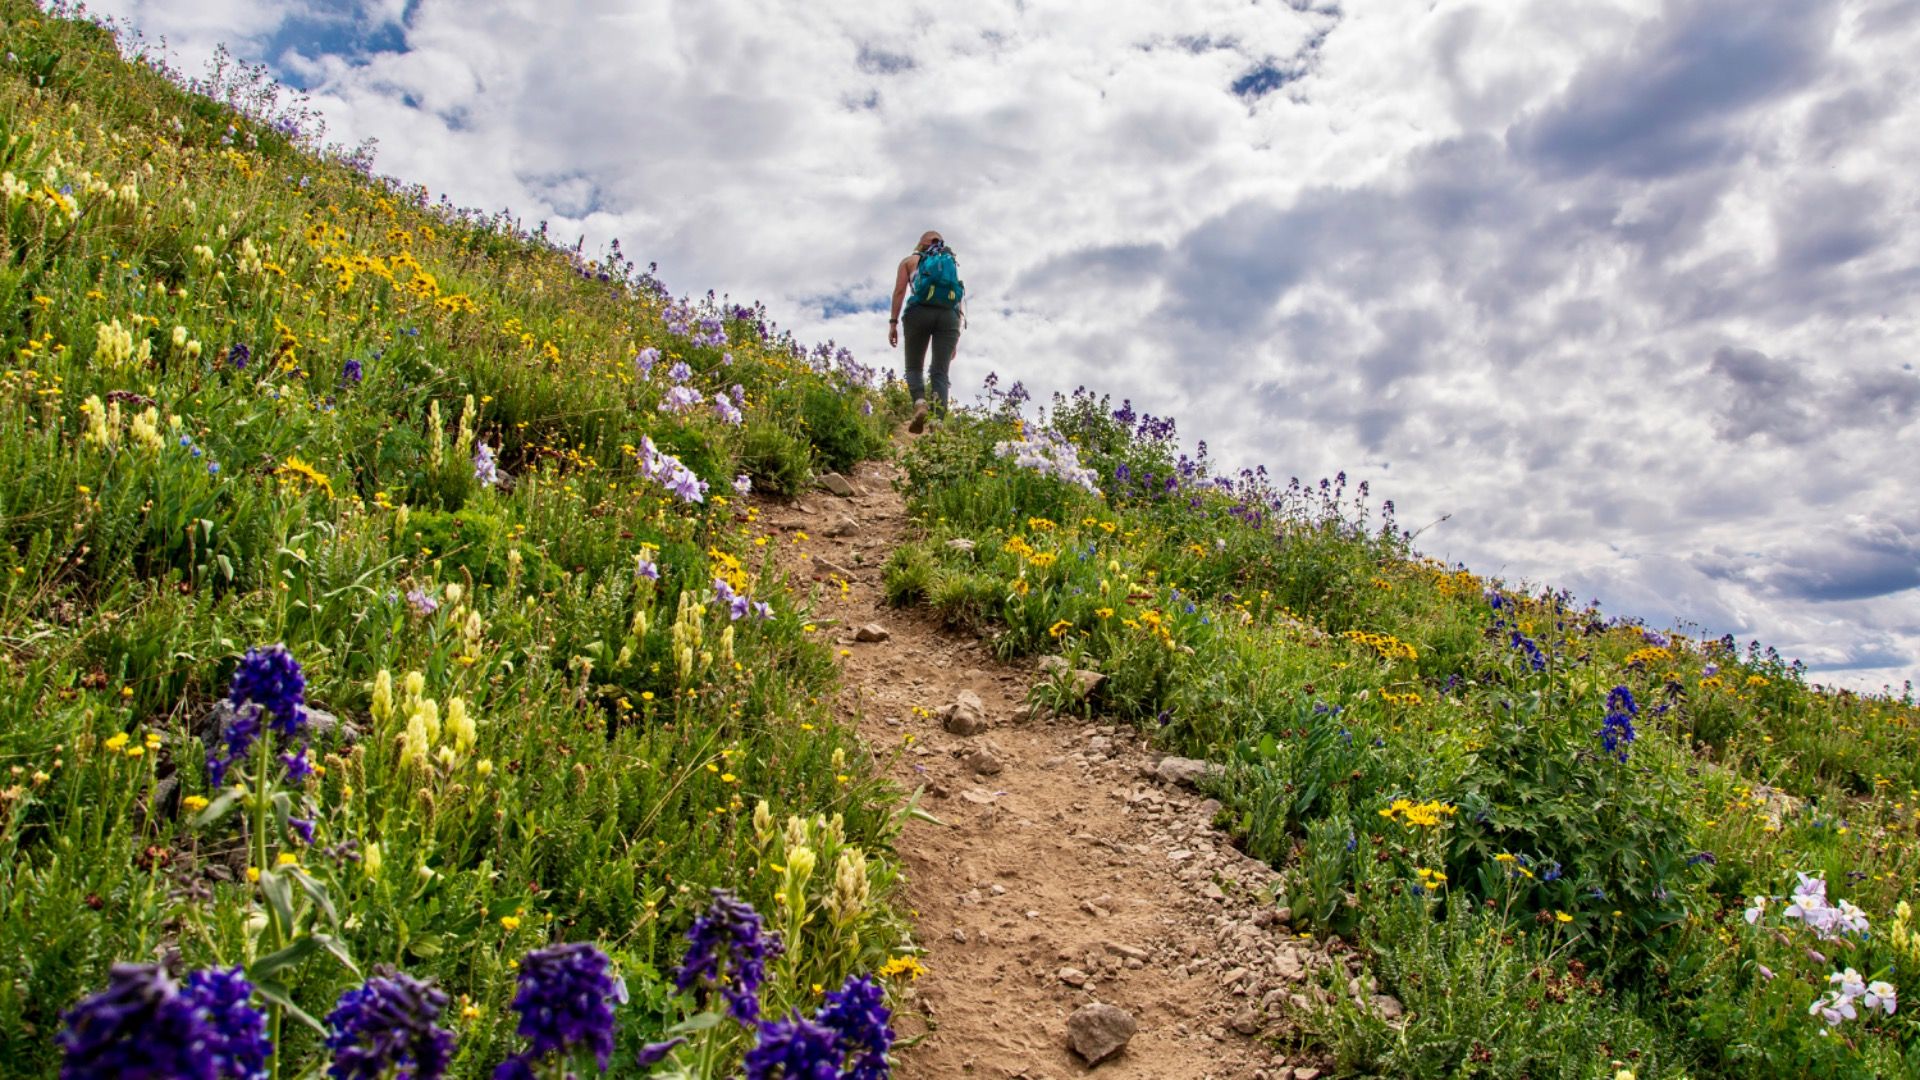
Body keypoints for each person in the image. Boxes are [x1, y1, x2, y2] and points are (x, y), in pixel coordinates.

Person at [888, 230, 967, 433]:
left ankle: (920, 403)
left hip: (918, 312)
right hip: (948, 317)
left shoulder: (910, 261)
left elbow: (899, 291)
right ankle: (937, 423)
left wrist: (893, 322)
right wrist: (955, 337)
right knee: (940, 372)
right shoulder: (950, 263)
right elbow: (958, 299)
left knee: (914, 366)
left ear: (921, 243)